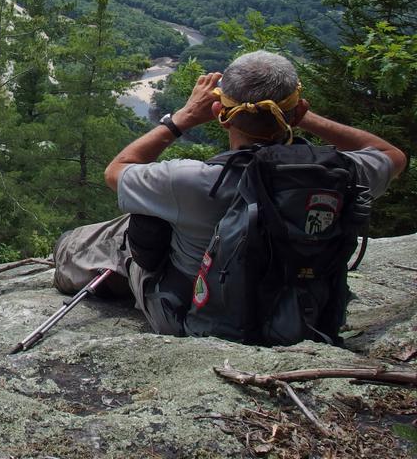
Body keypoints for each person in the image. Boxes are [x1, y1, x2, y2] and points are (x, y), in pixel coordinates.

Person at [52, 50, 406, 336]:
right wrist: (302, 118)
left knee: (124, 229)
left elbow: (116, 171)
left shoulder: (191, 180)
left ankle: (83, 268)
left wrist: (183, 119)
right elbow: (392, 155)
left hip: (193, 319)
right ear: (298, 110)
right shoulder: (338, 175)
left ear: (220, 113)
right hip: (304, 316)